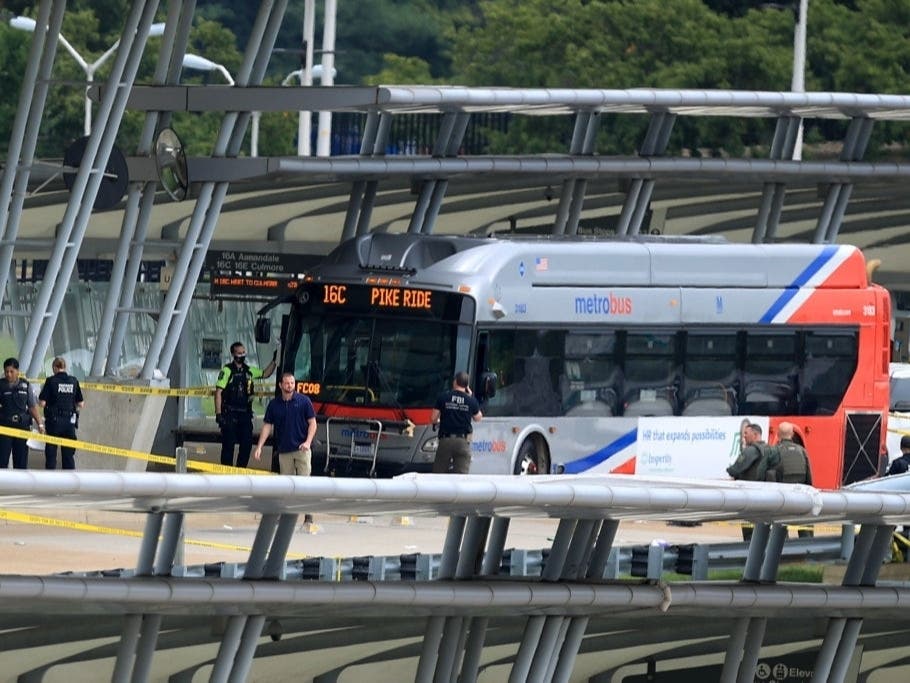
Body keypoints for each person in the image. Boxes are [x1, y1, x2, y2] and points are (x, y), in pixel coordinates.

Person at [214, 342, 276, 468]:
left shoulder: (249, 370)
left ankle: (240, 471)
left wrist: (275, 361)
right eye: (239, 353)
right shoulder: (227, 371)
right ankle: (225, 474)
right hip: (230, 414)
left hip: (245, 414)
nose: (242, 355)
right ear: (233, 354)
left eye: (243, 352)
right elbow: (218, 392)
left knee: (246, 444)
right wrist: (218, 414)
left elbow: (265, 374)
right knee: (228, 445)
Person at [253, 372, 317, 476]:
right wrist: (259, 447)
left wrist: (308, 442)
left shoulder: (304, 401)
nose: (290, 385)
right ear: (280, 385)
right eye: (287, 383)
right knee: (287, 483)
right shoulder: (273, 404)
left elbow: (313, 423)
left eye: (292, 383)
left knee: (304, 483)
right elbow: (267, 426)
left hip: (302, 448)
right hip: (284, 449)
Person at [38, 356, 85, 470]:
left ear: (54, 367)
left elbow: (42, 403)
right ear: (64, 367)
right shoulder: (74, 381)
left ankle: (50, 481)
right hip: (69, 422)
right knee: (68, 455)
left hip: (54, 422)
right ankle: (69, 483)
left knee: (51, 454)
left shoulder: (51, 381)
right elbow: (81, 404)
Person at [431, 371, 482, 474]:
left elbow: (433, 418)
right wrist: (470, 396)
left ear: (455, 382)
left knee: (438, 475)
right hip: (463, 442)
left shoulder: (443, 397)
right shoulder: (471, 401)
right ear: (467, 385)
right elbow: (478, 418)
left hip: (445, 441)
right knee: (461, 478)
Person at [0, 357, 43, 469]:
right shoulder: (1, 385)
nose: (8, 374)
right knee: (2, 460)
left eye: (11, 371)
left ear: (17, 371)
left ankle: (19, 486)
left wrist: (40, 424)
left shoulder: (26, 385)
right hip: (5, 427)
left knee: (21, 461)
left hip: (22, 427)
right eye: (6, 372)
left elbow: (32, 406)